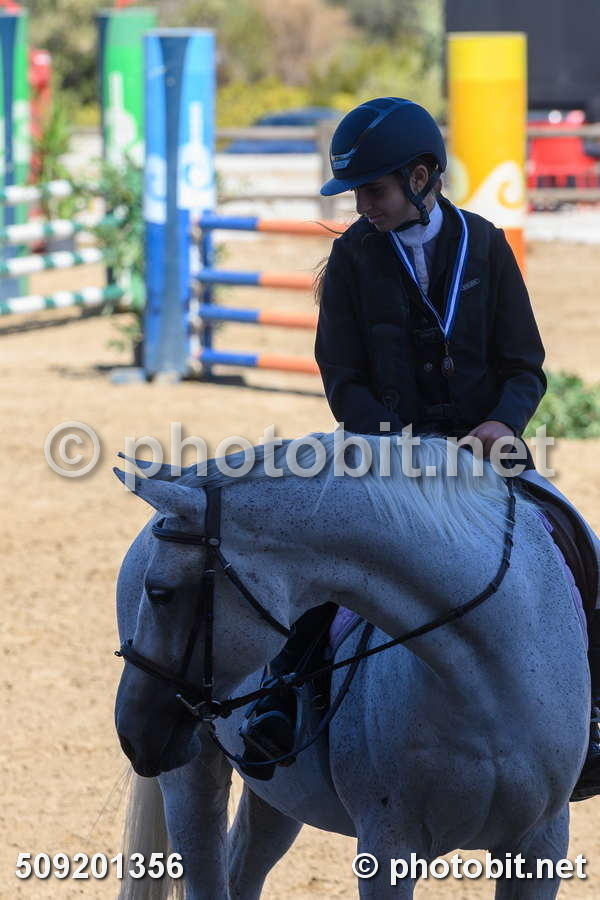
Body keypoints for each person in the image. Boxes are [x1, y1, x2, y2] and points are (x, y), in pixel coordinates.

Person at [240, 97, 600, 798]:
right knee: (323, 549)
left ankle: (587, 715)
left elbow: (524, 366)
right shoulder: (352, 256)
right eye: (355, 193)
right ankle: (281, 696)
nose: (362, 205)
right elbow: (342, 378)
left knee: (579, 544)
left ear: (421, 177)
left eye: (372, 190)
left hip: (484, 455)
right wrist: (391, 445)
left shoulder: (486, 245)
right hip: (385, 455)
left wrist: (503, 423)